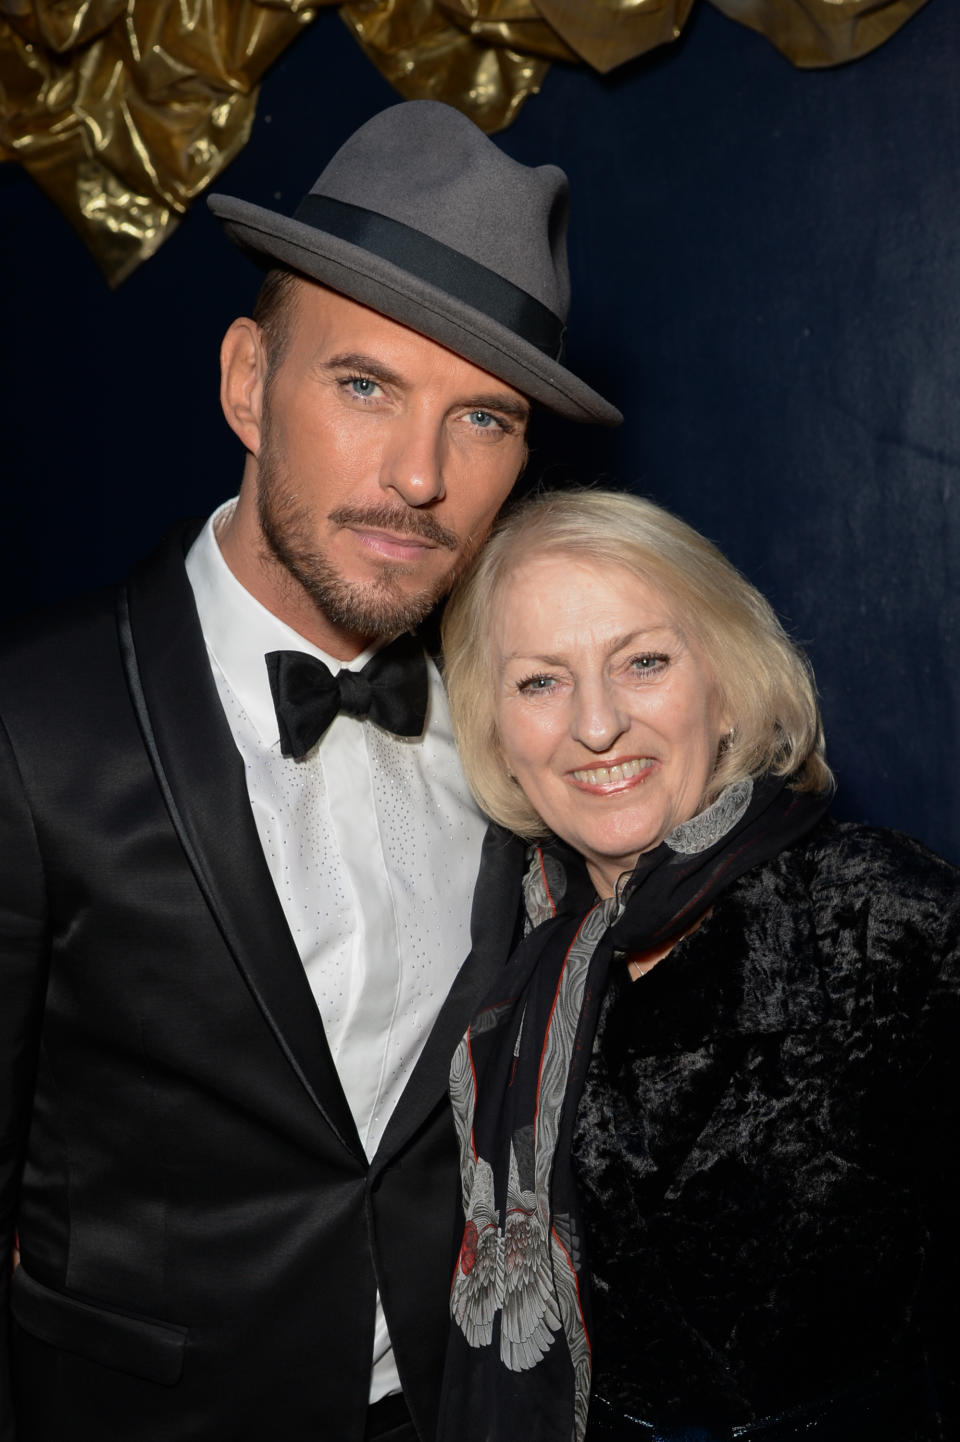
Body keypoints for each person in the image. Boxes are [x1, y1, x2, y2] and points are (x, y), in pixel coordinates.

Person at [0, 103, 621, 1442]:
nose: (419, 477)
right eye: (363, 384)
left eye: (483, 417)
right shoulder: (28, 723)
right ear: (244, 383)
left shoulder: (533, 726)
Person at [437, 487, 960, 1442]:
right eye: (541, 682)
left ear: (726, 689)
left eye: (643, 662)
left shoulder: (883, 921)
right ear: (499, 734)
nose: (597, 726)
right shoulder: (494, 961)